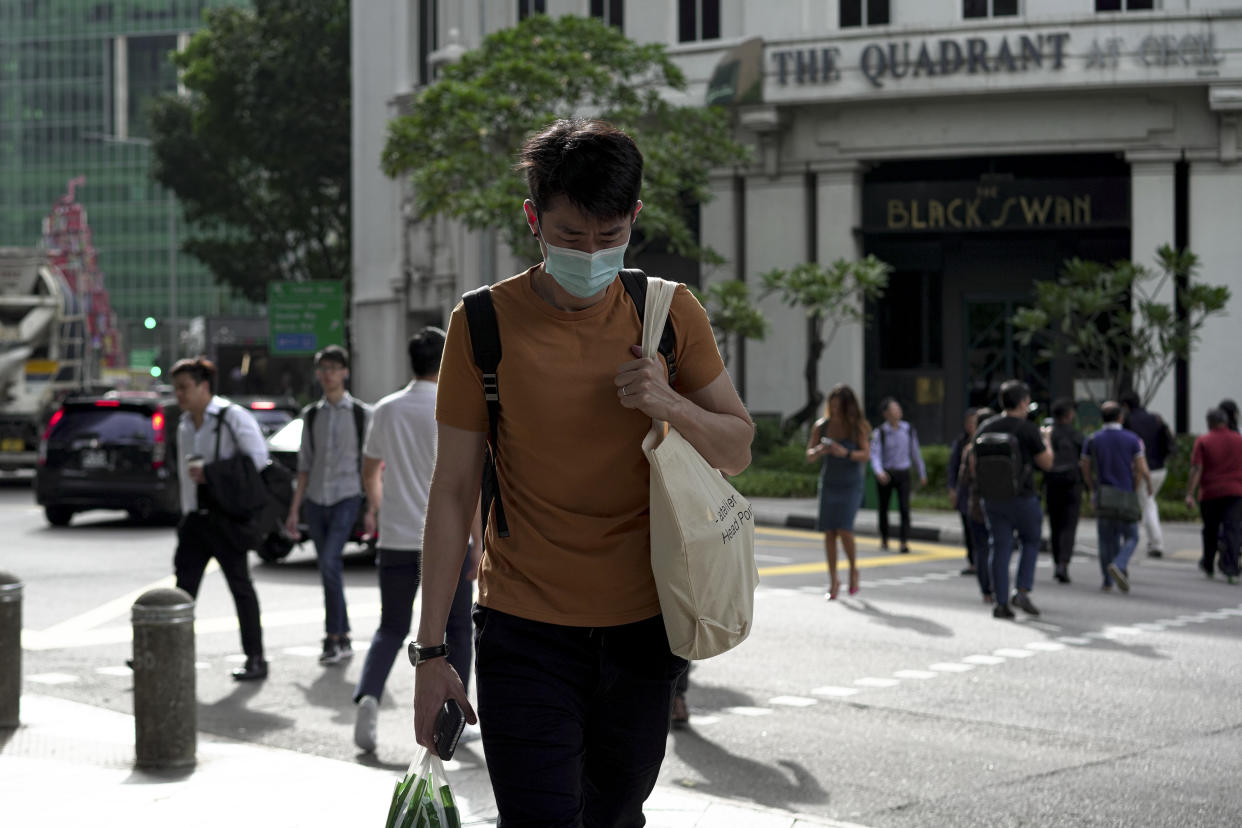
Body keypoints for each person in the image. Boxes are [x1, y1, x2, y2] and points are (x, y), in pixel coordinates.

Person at [410, 119, 753, 825]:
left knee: (616, 816)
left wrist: (667, 402)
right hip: (522, 631)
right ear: (534, 220)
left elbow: (736, 447)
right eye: (570, 237)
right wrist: (431, 654)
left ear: (634, 219)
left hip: (643, 629)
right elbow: (451, 494)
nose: (590, 256)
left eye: (608, 237)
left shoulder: (668, 313)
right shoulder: (482, 326)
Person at [352, 328, 481, 753]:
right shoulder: (456, 405)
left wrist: (380, 507)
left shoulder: (385, 409)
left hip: (396, 538)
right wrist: (479, 542)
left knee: (391, 626)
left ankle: (368, 699)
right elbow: (468, 485)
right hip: (449, 541)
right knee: (458, 629)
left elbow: (371, 471)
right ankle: (452, 720)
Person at [170, 358, 270, 681]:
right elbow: (184, 479)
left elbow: (258, 460)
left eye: (184, 388)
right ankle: (166, 652)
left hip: (225, 519)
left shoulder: (231, 417)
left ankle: (256, 658)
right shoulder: (184, 424)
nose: (179, 395)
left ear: (203, 387)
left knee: (241, 587)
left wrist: (213, 474)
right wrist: (185, 513)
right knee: (182, 593)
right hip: (194, 522)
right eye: (176, 389)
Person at [284, 345, 373, 666]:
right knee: (328, 567)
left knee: (330, 563)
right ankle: (343, 634)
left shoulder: (363, 414)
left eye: (334, 368)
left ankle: (332, 637)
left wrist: (373, 509)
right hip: (315, 501)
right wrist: (294, 511)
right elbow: (304, 466)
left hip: (347, 498)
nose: (328, 374)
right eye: (323, 369)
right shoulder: (312, 415)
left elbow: (372, 465)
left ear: (345, 372)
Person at [974, 380, 1054, 620]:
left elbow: (972, 463)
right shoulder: (1028, 428)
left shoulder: (986, 427)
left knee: (999, 548)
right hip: (1023, 497)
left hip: (992, 498)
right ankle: (1021, 590)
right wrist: (1046, 439)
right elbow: (1047, 463)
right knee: (1030, 541)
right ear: (1023, 402)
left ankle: (1000, 603)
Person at [807, 384, 871, 599]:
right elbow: (809, 456)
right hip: (830, 482)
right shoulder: (821, 426)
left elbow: (866, 455)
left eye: (838, 407)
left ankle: (853, 570)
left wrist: (845, 452)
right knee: (829, 532)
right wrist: (820, 450)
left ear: (848, 406)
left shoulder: (857, 427)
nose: (834, 410)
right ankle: (833, 580)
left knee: (844, 529)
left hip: (851, 483)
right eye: (831, 406)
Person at [1081, 401, 1152, 593]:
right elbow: (1140, 468)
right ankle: (1119, 564)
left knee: (1106, 539)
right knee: (1132, 535)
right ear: (1120, 417)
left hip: (1104, 494)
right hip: (1125, 493)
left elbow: (1085, 467)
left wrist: (1092, 489)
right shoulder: (1132, 439)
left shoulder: (1092, 439)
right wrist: (1140, 487)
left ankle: (1107, 581)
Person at [1185, 408, 1242, 584]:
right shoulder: (1239, 440)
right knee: (1233, 529)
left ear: (1209, 422)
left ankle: (1208, 563)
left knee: (1210, 529)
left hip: (1210, 493)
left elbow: (1197, 468)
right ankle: (1231, 567)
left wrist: (1189, 494)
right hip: (1236, 492)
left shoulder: (1204, 440)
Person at [1121, 391, 1175, 559]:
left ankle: (1157, 543)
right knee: (1147, 503)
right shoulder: (1156, 418)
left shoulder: (1129, 421)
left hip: (1142, 469)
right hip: (1160, 468)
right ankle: (1152, 543)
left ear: (1126, 406)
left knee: (1148, 504)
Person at [870, 398, 927, 554]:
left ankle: (903, 541)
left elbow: (915, 453)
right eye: (894, 409)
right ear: (886, 414)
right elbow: (875, 455)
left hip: (903, 473)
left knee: (904, 508)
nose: (898, 411)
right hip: (886, 473)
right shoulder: (880, 432)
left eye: (898, 408)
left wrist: (922, 473)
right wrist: (879, 472)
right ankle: (884, 539)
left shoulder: (908, 429)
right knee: (883, 508)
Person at [957, 407, 995, 602]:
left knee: (981, 548)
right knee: (998, 546)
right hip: (998, 503)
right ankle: (999, 586)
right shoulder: (1001, 446)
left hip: (976, 505)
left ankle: (986, 591)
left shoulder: (970, 448)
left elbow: (963, 479)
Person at [1045, 398, 1085, 584]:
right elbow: (1085, 460)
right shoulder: (1077, 435)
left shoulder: (1048, 435)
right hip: (1072, 483)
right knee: (1069, 525)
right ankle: (1063, 563)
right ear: (1069, 415)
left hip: (1052, 483)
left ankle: (1056, 563)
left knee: (1055, 525)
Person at [948, 408, 980, 576]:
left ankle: (982, 560)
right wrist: (952, 489)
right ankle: (973, 562)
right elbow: (953, 467)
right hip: (966, 491)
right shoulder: (961, 443)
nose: (971, 426)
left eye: (974, 422)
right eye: (969, 423)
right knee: (968, 528)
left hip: (981, 493)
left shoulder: (985, 441)